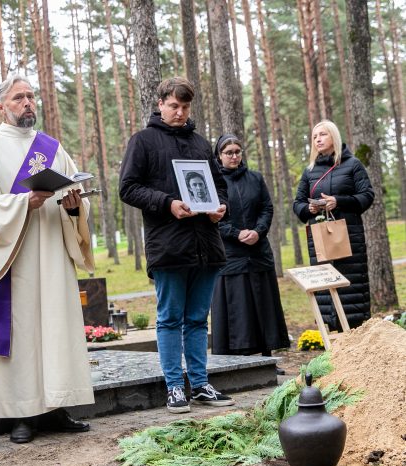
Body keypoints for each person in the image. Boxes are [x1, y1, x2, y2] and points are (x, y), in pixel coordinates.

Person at [0, 74, 95, 444]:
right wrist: (24, 202)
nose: (28, 103)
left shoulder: (52, 147)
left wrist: (74, 207)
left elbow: (75, 192)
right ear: (0, 106)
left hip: (53, 250)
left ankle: (57, 405)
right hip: (15, 255)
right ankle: (22, 412)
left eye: (31, 97)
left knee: (56, 327)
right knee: (23, 331)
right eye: (19, 97)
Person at [119, 77, 234, 413]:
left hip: (206, 245)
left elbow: (218, 185)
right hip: (168, 246)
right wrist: (167, 202)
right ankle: (173, 387)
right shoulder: (143, 142)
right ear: (160, 104)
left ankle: (199, 384)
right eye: (174, 106)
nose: (180, 112)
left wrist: (220, 209)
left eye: (185, 107)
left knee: (198, 318)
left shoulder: (201, 144)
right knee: (170, 318)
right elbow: (128, 188)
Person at [210, 134, 290, 370]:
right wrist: (236, 233)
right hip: (230, 254)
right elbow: (213, 217)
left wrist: (258, 230)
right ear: (219, 156)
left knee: (263, 306)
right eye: (229, 152)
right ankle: (240, 363)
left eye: (237, 151)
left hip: (258, 251)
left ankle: (267, 358)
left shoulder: (255, 178)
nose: (234, 156)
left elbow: (266, 207)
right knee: (238, 310)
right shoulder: (214, 183)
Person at [293, 120, 374, 330]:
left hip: (349, 235)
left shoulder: (353, 164)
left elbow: (367, 196)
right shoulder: (309, 170)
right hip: (319, 238)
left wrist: (339, 202)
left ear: (334, 137)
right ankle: (330, 332)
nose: (318, 139)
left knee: (351, 285)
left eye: (323, 134)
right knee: (324, 286)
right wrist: (308, 209)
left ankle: (356, 331)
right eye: (314, 136)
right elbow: (297, 202)